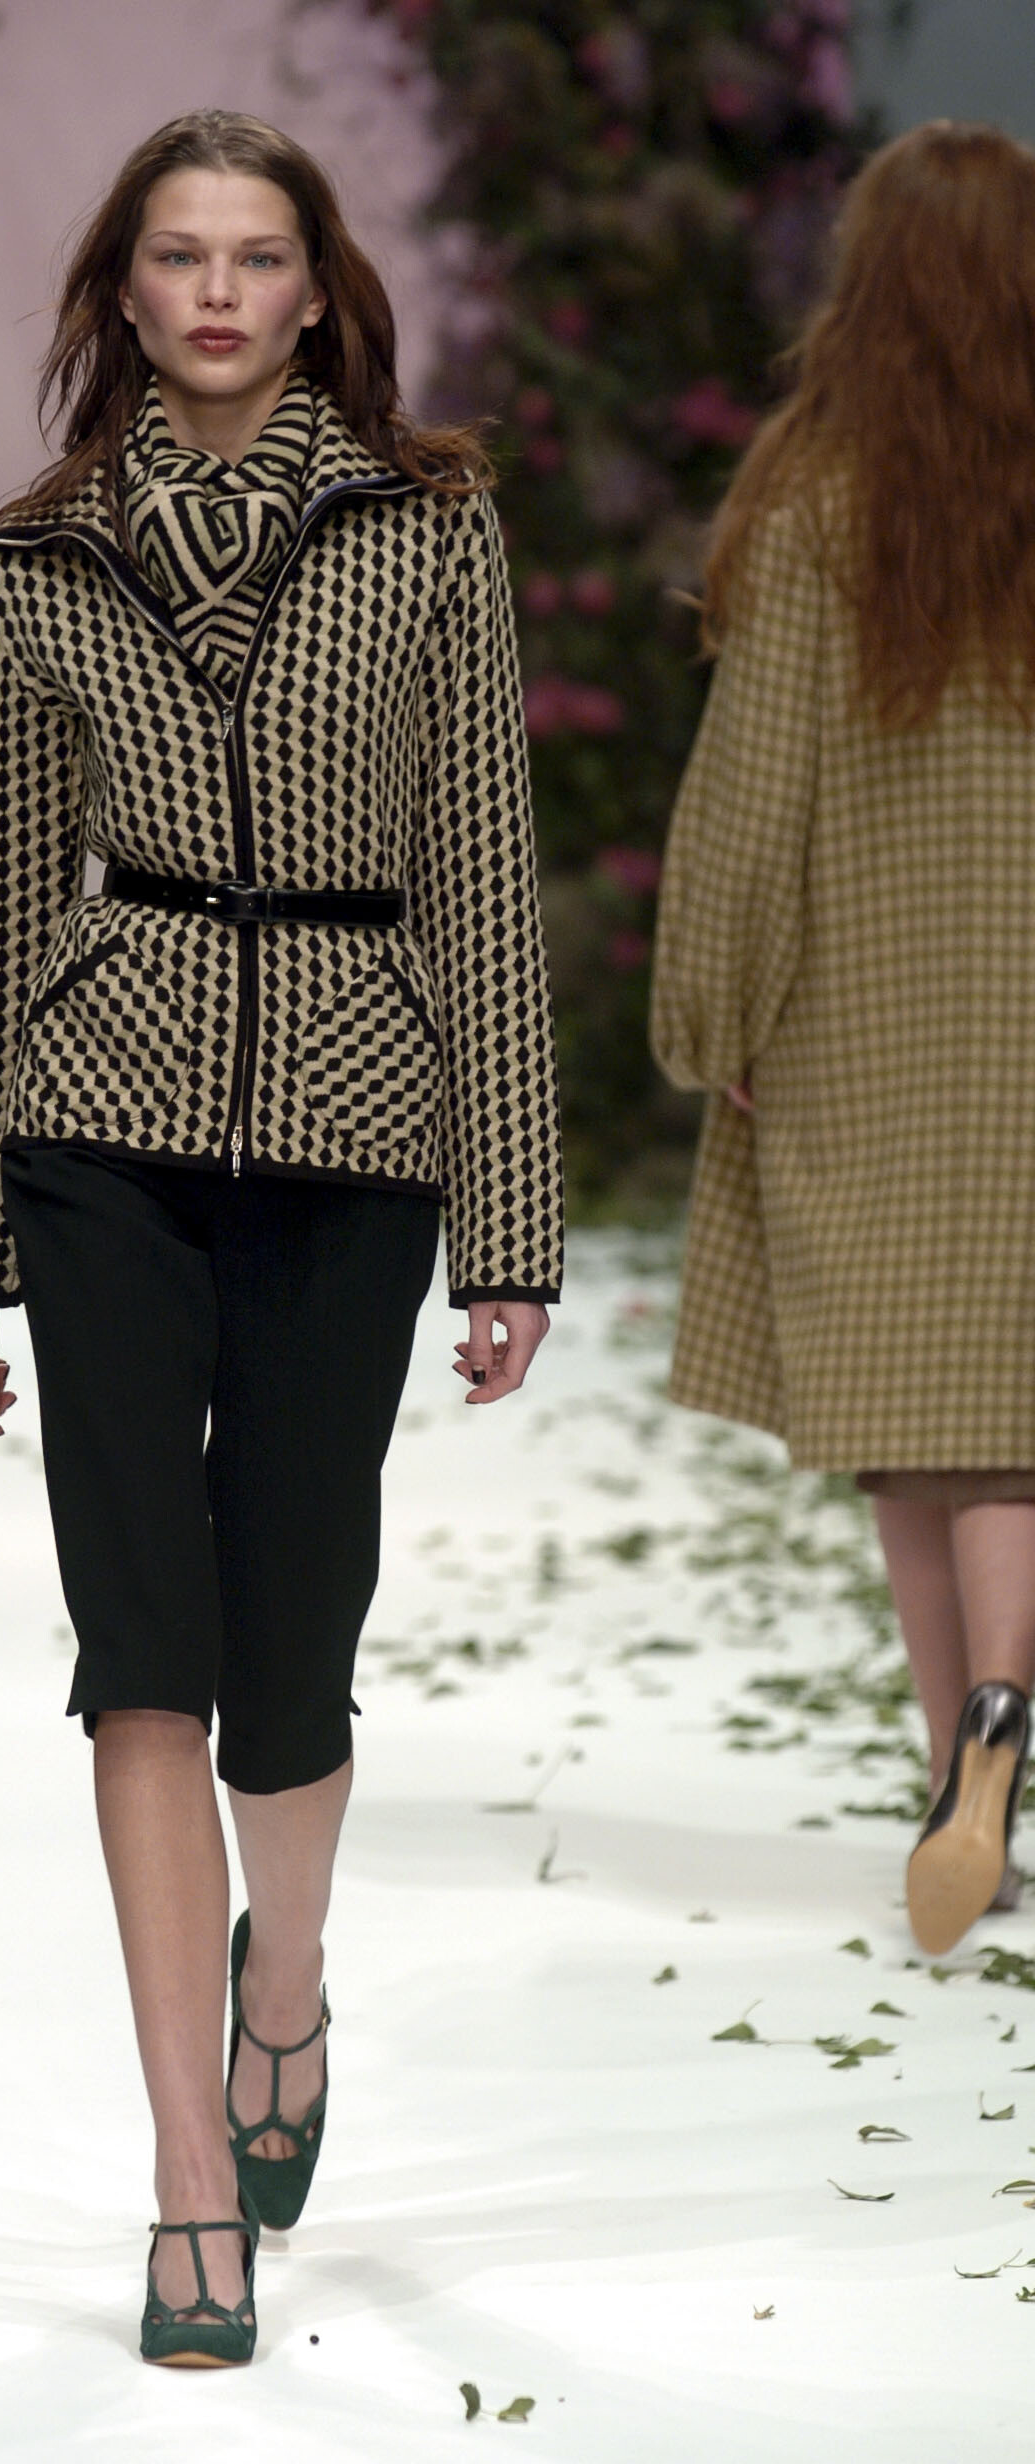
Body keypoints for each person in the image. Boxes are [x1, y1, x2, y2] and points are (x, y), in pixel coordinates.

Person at [0, 109, 561, 2367]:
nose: (215, 291)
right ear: (124, 288)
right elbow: (0, 903)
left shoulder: (425, 527)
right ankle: (191, 2177)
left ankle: (284, 1970)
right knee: (141, 1649)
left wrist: (514, 1225)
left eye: (255, 256)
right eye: (178, 255)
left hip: (357, 1122)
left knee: (294, 1651)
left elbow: (484, 868)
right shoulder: (43, 552)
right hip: (100, 1118)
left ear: (313, 290)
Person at [651, 122, 1035, 1963]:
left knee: (911, 1417)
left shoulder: (814, 499)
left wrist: (715, 1006)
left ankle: (953, 1773)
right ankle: (1005, 1728)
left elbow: (755, 788)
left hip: (871, 1018)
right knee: (1018, 1410)